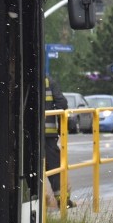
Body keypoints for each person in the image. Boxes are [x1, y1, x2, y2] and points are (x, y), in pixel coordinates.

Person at [44, 75, 69, 206]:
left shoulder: (23, 78)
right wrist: (61, 127)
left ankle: (34, 200)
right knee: (54, 167)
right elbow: (62, 104)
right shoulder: (48, 81)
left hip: (27, 135)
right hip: (48, 135)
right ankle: (63, 201)